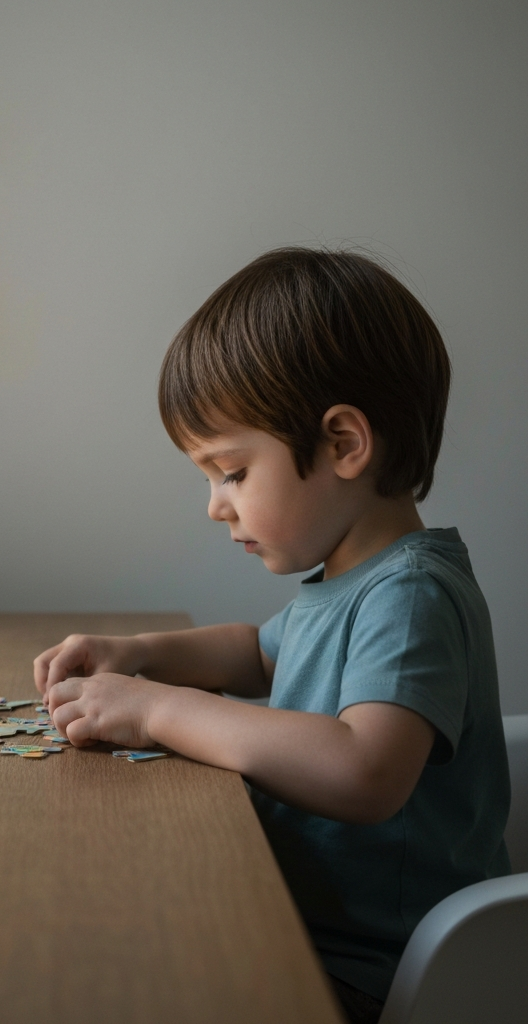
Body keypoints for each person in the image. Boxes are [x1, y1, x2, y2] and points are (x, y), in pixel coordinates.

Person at [34, 248, 511, 1024]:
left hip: (372, 974)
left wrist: (155, 710)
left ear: (344, 445)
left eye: (230, 472)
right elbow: (258, 653)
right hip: (303, 924)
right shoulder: (349, 578)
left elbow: (363, 771)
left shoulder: (413, 592)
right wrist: (139, 653)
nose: (215, 506)